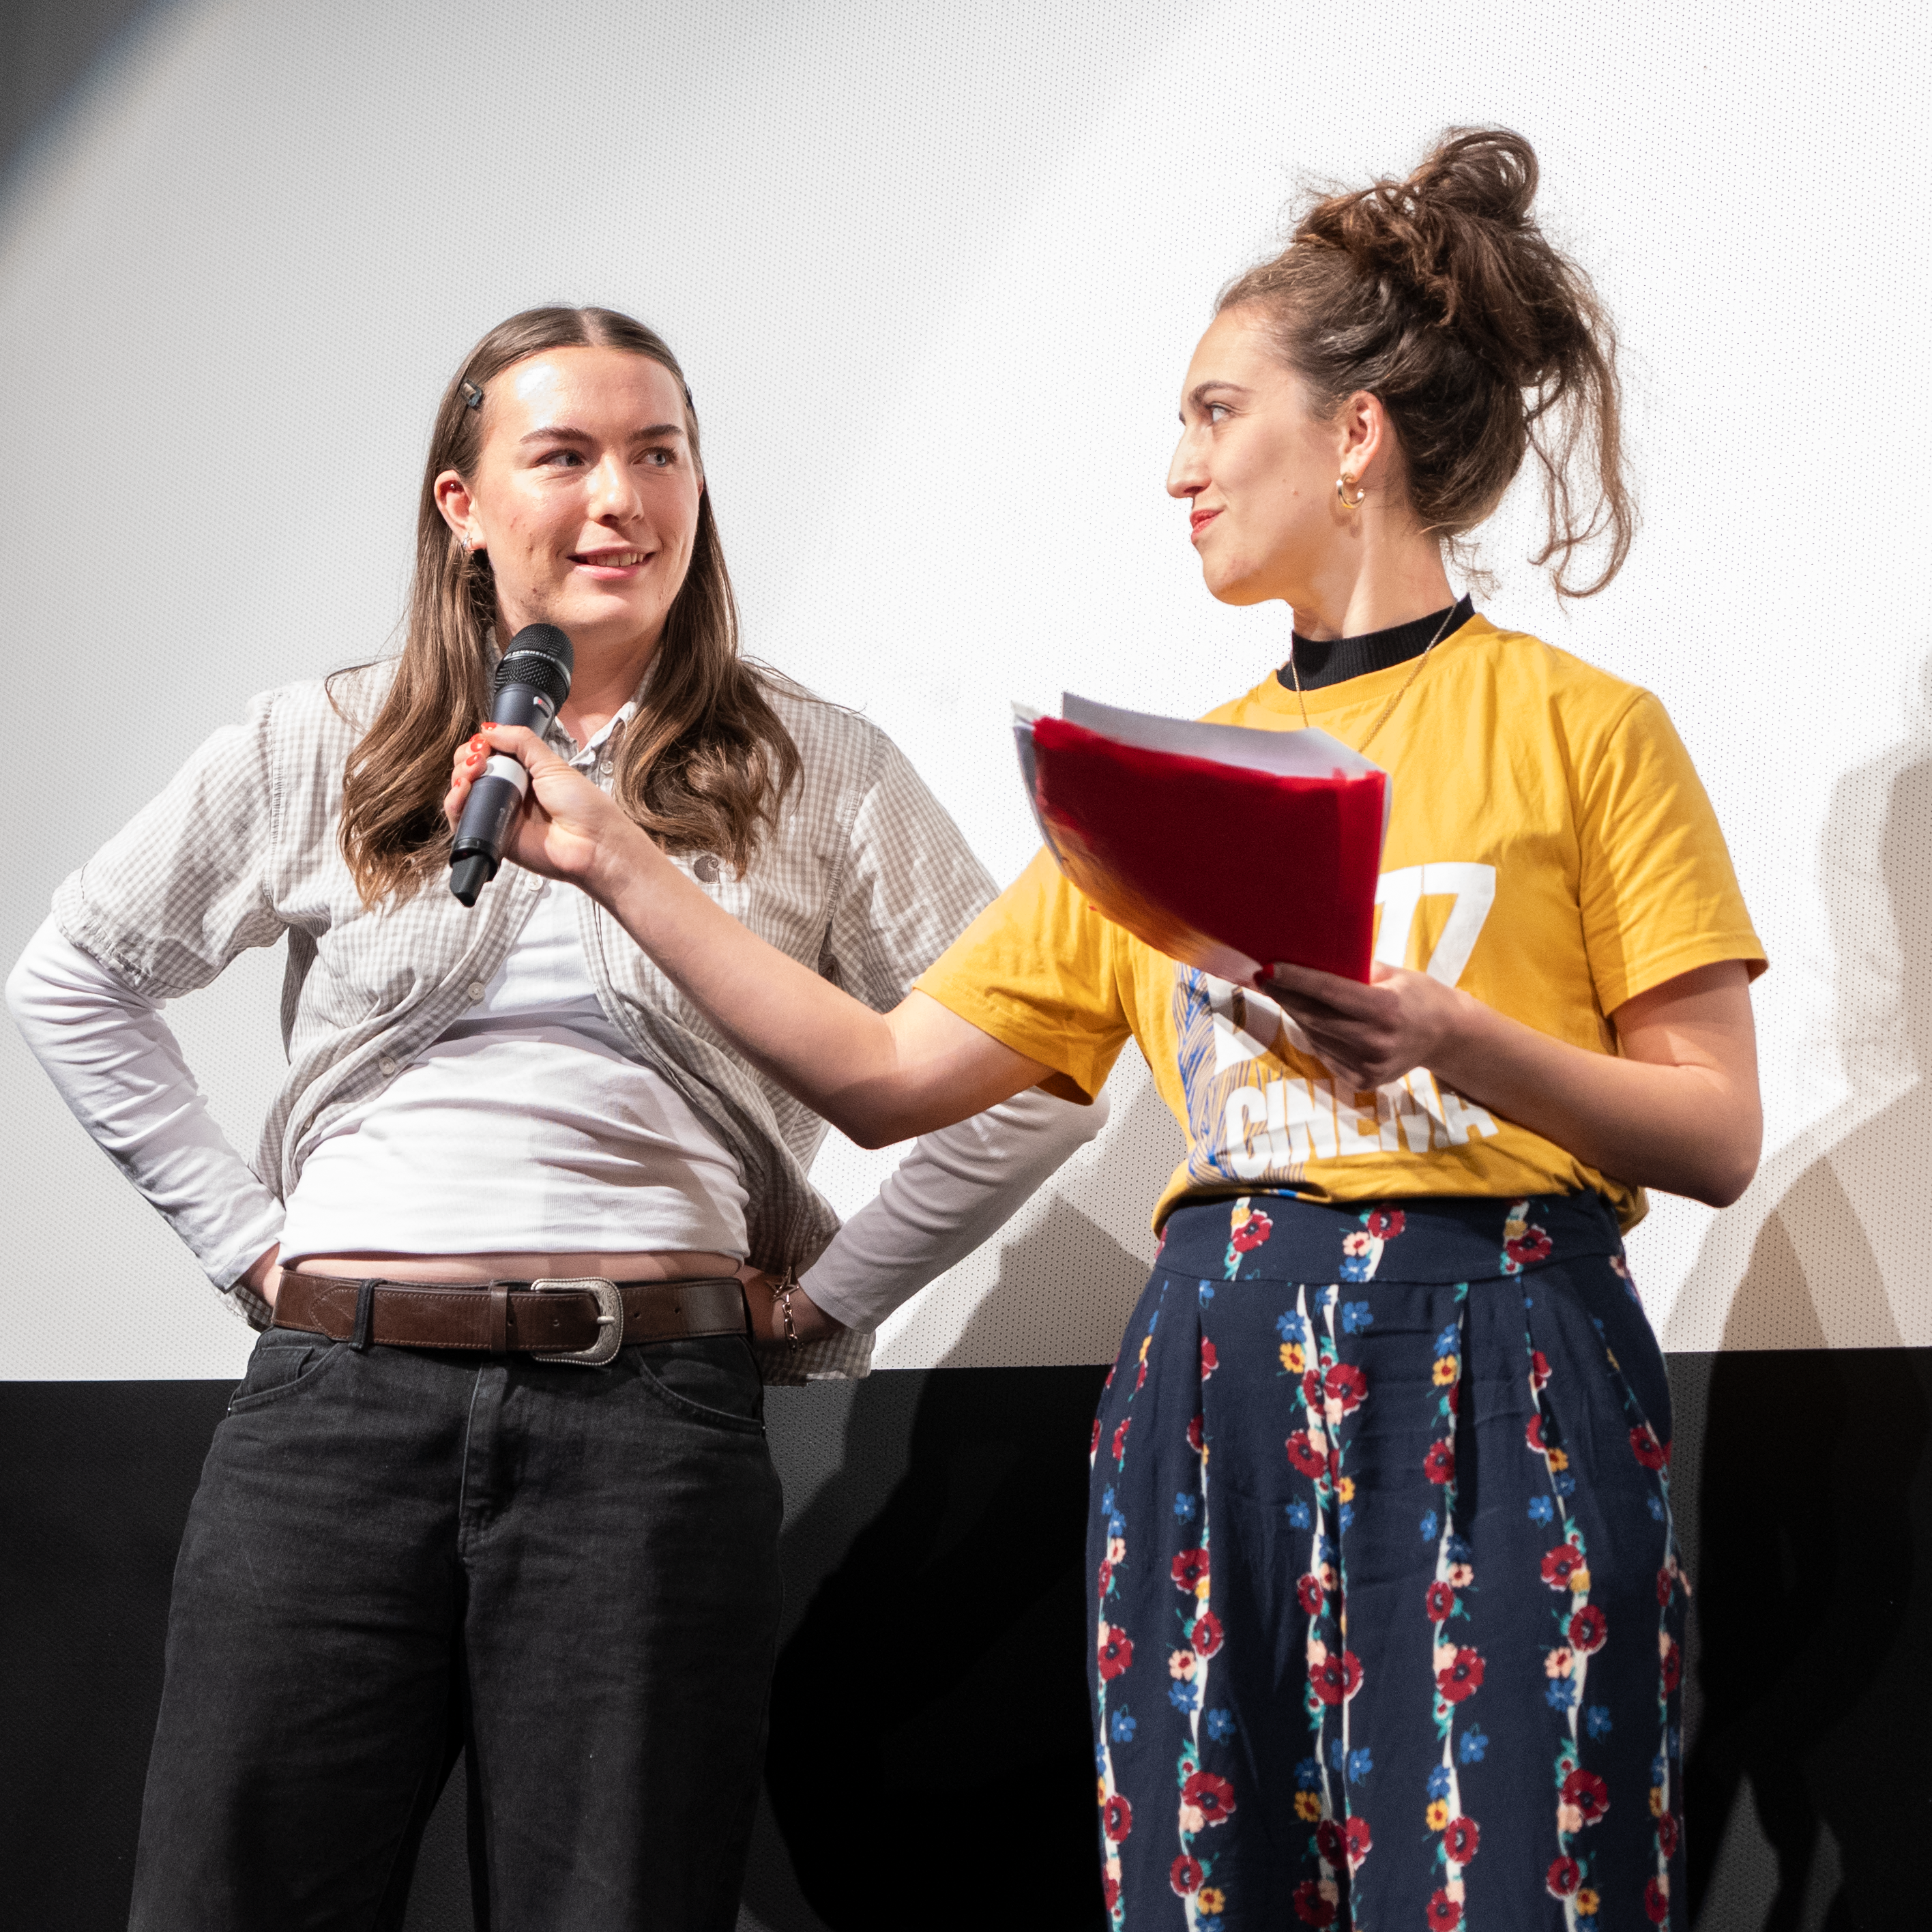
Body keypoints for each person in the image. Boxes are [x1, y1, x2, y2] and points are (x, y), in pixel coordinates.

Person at [442, 134, 1764, 1928]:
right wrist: (613, 863)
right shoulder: (1160, 788)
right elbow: (888, 1076)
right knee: (1209, 1883)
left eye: (1220, 415)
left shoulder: (1580, 730)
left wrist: (1457, 1036)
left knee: (1514, 1882)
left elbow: (1712, 1129)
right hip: (1210, 1379)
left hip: (1497, 1359)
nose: (1180, 467)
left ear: (1353, 434)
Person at [5, 305, 1106, 1930]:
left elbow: (1040, 1062)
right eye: (566, 455)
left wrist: (833, 1297)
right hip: (332, 1417)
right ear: (461, 505)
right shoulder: (326, 738)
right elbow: (73, 975)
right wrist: (247, 1248)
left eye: (660, 453)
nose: (622, 498)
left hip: (645, 1431)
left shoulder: (814, 764)